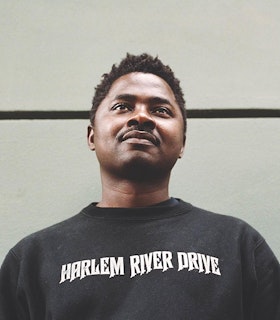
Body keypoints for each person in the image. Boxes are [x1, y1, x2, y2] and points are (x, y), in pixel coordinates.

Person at [0, 53, 279, 320]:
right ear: (92, 136)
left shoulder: (239, 245)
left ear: (182, 143)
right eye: (123, 107)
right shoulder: (32, 260)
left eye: (160, 110)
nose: (141, 117)